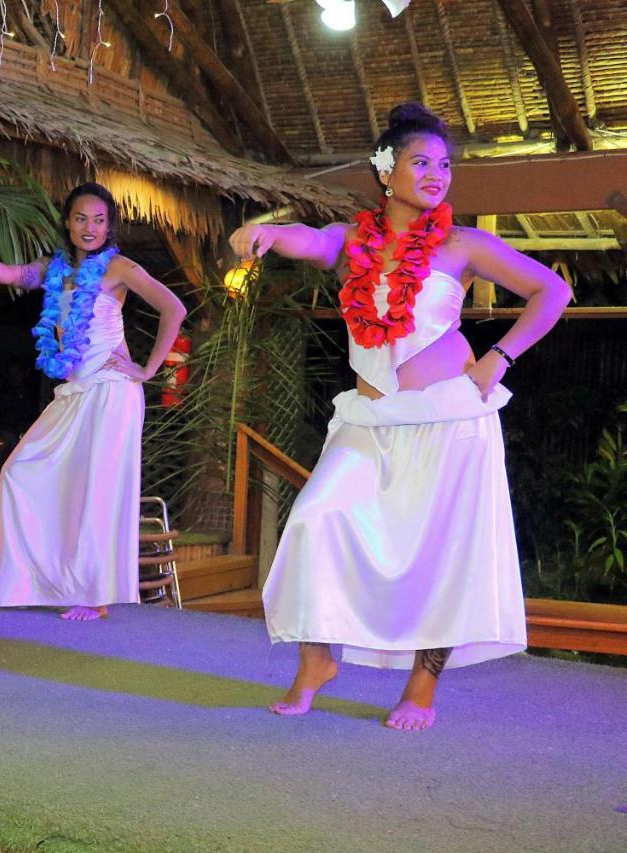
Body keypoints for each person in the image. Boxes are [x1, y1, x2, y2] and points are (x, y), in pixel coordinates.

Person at [229, 103, 571, 730]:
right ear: (385, 170)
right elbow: (310, 240)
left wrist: (500, 355)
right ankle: (317, 660)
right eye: (421, 162)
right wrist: (269, 234)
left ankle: (421, 687)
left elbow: (553, 292)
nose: (438, 174)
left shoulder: (463, 244)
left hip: (448, 419)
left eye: (445, 165)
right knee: (314, 518)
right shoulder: (352, 241)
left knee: (441, 554)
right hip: (370, 417)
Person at [0, 182, 185, 621]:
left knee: (97, 488)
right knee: (19, 472)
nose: (90, 228)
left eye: (100, 220)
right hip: (73, 392)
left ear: (110, 226)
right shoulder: (55, 270)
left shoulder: (120, 268)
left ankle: (94, 593)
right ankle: (34, 580)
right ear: (67, 223)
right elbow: (11, 274)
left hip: (110, 390)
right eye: (81, 219)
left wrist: (147, 370)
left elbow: (174, 309)